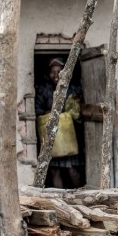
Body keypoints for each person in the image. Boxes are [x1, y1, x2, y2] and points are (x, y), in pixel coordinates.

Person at [35, 57, 84, 189]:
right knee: (54, 170)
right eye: (52, 71)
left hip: (69, 137)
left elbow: (79, 110)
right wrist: (50, 114)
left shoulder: (74, 88)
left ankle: (80, 196)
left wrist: (69, 115)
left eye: (59, 71)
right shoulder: (43, 89)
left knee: (72, 169)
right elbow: (38, 111)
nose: (56, 75)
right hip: (53, 138)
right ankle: (58, 201)